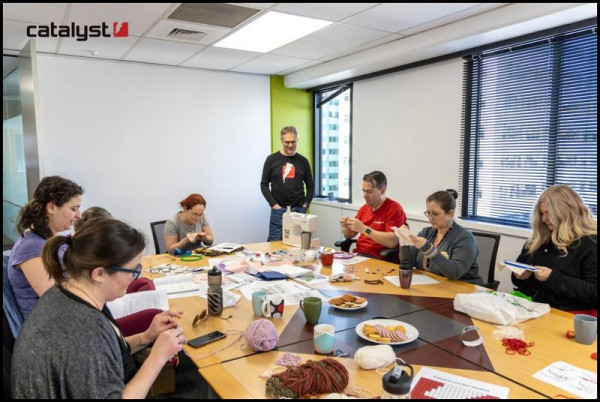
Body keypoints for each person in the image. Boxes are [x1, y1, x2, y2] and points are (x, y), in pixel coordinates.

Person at [11, 218, 186, 398]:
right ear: (99, 274)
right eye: (133, 270)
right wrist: (158, 357)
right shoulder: (85, 331)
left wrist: (147, 336)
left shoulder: (66, 294)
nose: (134, 277)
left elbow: (105, 356)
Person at [511, 184, 597, 313]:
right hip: (527, 304)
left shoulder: (591, 243)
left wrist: (552, 278)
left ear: (567, 212)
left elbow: (593, 293)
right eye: (541, 214)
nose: (544, 219)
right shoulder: (539, 238)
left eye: (548, 213)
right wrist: (518, 275)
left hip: (564, 312)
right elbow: (517, 277)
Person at [8, 176, 83, 319]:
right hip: (55, 328)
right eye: (74, 209)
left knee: (139, 284)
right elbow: (56, 301)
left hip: (73, 316)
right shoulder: (31, 248)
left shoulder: (50, 240)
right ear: (52, 207)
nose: (79, 216)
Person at [398, 189, 483, 285]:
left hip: (461, 288)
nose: (430, 218)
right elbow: (407, 262)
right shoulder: (426, 232)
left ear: (450, 213)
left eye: (435, 214)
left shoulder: (465, 238)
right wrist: (404, 240)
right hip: (433, 286)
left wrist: (428, 248)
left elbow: (454, 273)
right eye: (428, 213)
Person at [261, 126, 315, 241]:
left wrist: (305, 205)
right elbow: (264, 185)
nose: (290, 145)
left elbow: (310, 185)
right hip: (278, 210)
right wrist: (274, 205)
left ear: (297, 140)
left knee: (299, 243)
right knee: (275, 243)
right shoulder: (271, 160)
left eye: (293, 141)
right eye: (287, 142)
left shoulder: (303, 161)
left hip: (299, 210)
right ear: (281, 141)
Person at [339, 171, 406, 258]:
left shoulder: (394, 209)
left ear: (382, 191)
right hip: (359, 256)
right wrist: (346, 226)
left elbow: (392, 242)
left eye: (369, 192)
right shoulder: (364, 209)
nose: (364, 196)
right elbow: (349, 235)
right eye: (363, 191)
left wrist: (364, 229)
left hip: (379, 259)